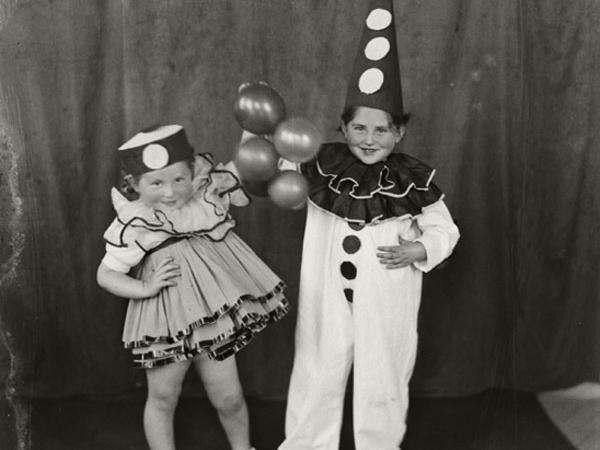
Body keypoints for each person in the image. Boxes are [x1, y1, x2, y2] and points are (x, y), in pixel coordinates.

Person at [278, 1, 460, 449]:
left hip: (387, 291)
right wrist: (255, 133)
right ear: (343, 127)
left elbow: (444, 229)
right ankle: (306, 444)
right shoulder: (321, 163)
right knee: (317, 363)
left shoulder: (411, 179)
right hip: (325, 290)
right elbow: (276, 172)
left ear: (399, 133)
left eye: (381, 131)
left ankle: (378, 444)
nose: (369, 140)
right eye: (359, 128)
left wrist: (420, 250)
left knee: (384, 369)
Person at [96, 124, 288, 450]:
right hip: (167, 321)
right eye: (156, 183)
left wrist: (249, 126)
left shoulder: (203, 196)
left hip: (213, 319)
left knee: (229, 397)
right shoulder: (137, 221)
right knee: (163, 397)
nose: (170, 192)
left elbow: (244, 166)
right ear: (134, 184)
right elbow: (106, 274)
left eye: (178, 180)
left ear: (192, 172)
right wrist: (145, 287)